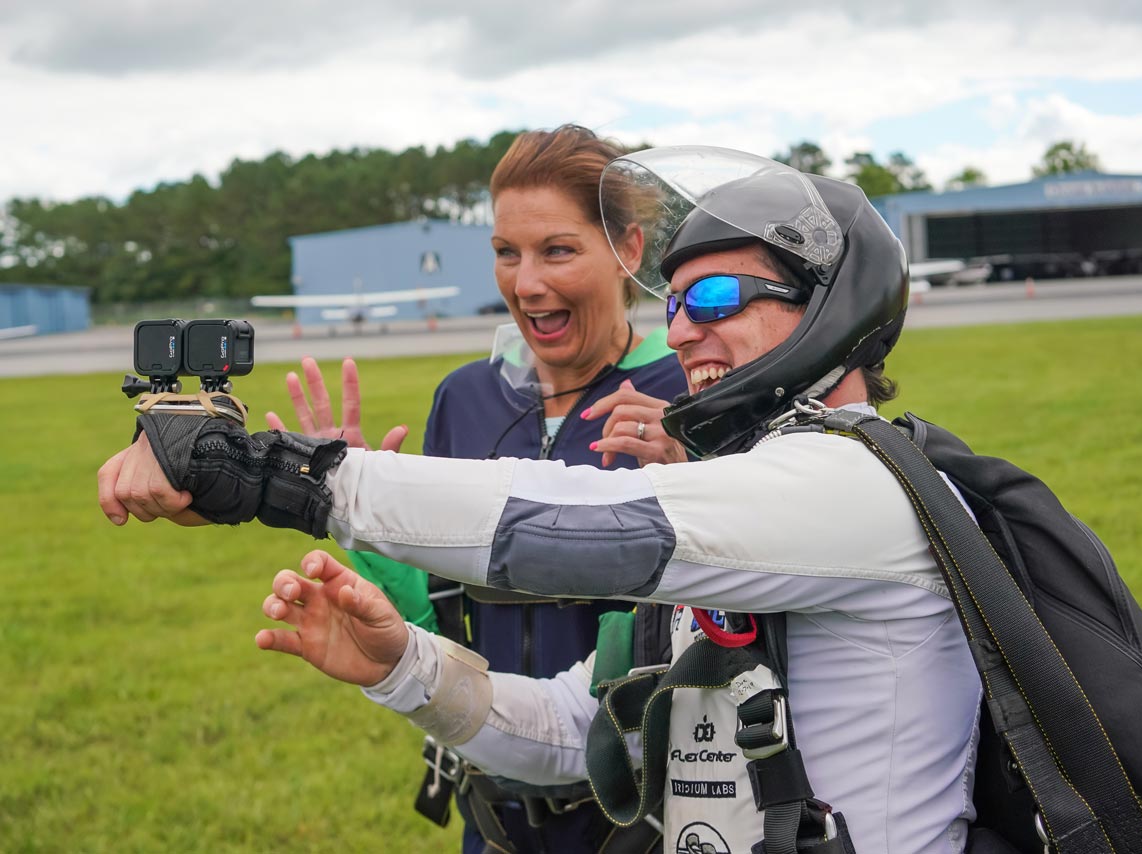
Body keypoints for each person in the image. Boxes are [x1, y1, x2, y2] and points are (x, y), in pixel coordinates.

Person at [99, 147, 983, 854]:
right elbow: (576, 728)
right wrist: (403, 665)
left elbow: (577, 523)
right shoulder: (740, 507)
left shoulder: (861, 482)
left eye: (715, 295)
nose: (681, 328)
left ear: (831, 306)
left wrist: (270, 474)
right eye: (673, 303)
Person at [259, 126, 690, 852]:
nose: (526, 283)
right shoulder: (466, 398)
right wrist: (362, 512)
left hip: (645, 818)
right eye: (505, 253)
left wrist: (692, 468)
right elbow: (445, 612)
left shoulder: (682, 393)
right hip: (493, 818)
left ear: (630, 251)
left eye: (557, 250)